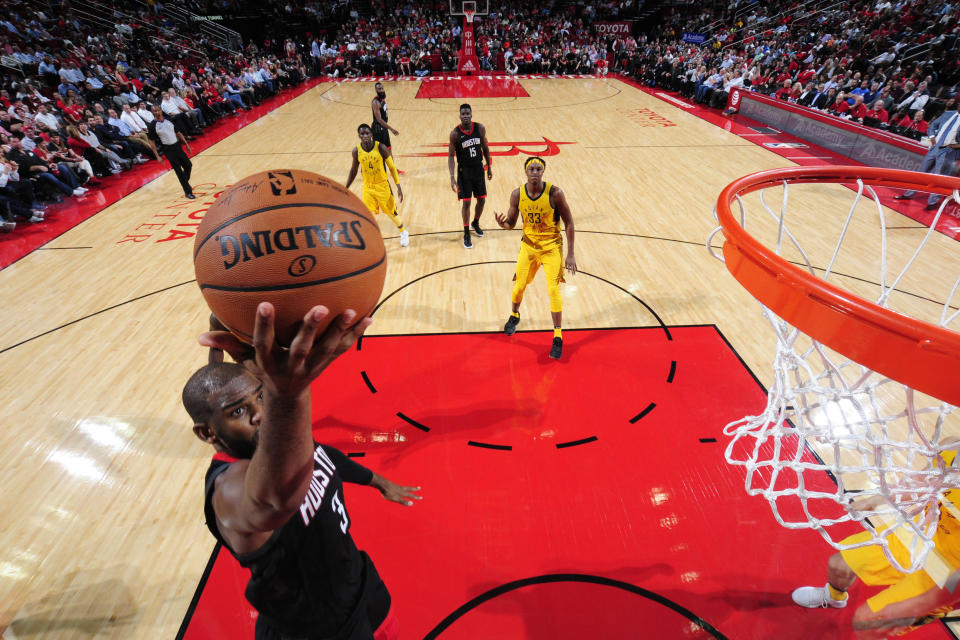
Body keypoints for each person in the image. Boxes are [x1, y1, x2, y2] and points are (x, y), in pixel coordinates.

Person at [186, 303, 421, 640]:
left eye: (262, 397)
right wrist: (287, 394)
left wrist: (378, 481)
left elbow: (321, 456)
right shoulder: (228, 490)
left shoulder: (278, 440)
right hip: (312, 630)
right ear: (207, 434)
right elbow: (274, 498)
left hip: (360, 586)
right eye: (239, 411)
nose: (261, 415)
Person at [791, 450, 960, 639]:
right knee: (838, 565)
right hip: (922, 537)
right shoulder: (952, 448)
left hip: (950, 574)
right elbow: (921, 484)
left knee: (868, 623)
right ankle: (834, 597)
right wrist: (877, 500)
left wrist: (920, 604)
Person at [494, 157, 577, 360]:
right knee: (519, 285)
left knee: (553, 289)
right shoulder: (517, 194)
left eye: (538, 169)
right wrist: (502, 225)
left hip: (551, 248)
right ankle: (514, 315)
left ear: (543, 172)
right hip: (529, 247)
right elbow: (512, 223)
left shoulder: (555, 193)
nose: (535, 171)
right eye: (531, 168)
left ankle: (557, 336)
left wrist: (571, 253)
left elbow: (569, 223)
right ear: (525, 172)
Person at [345, 123, 409, 247]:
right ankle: (368, 238)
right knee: (366, 213)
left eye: (367, 133)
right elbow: (353, 170)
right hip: (368, 187)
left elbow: (391, 167)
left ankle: (403, 232)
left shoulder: (381, 148)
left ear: (371, 135)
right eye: (362, 134)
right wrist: (346, 187)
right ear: (359, 135)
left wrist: (398, 186)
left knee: (391, 213)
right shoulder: (356, 151)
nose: (365, 136)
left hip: (382, 186)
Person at [895, 96, 960, 210]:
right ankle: (908, 194)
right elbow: (933, 125)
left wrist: (956, 146)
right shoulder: (948, 114)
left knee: (940, 178)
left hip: (949, 151)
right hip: (935, 147)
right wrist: (931, 137)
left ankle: (932, 202)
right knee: (921, 173)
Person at [447, 103, 492, 249]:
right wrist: (452, 176)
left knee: (482, 200)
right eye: (463, 114)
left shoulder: (480, 128)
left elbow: (485, 147)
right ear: (459, 115)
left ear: (471, 114)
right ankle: (466, 232)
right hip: (464, 172)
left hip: (478, 169)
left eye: (468, 113)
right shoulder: (455, 134)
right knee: (466, 203)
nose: (465, 116)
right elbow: (450, 156)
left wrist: (489, 167)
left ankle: (475, 222)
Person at [148, 104, 195, 199]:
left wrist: (186, 144)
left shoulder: (169, 120)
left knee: (188, 165)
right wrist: (157, 156)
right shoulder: (152, 125)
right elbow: (152, 142)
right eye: (154, 111)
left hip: (177, 146)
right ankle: (187, 191)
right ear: (152, 113)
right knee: (179, 171)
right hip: (168, 150)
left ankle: (185, 183)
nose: (157, 112)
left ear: (161, 110)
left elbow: (178, 133)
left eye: (158, 110)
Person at [370, 83, 400, 165]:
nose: (382, 90)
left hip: (383, 128)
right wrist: (391, 129)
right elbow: (379, 119)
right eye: (379, 89)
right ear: (376, 90)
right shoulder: (375, 102)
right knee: (378, 152)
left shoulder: (382, 100)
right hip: (378, 129)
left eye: (382, 88)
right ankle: (366, 168)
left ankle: (393, 169)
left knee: (389, 149)